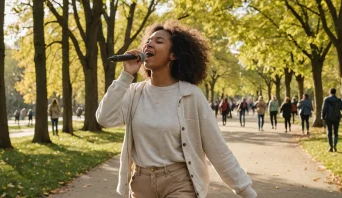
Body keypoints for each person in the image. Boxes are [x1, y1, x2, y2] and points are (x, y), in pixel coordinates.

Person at [96, 21, 256, 198]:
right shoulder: (134, 93)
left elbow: (217, 148)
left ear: (173, 55)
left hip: (179, 183)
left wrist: (246, 192)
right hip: (141, 184)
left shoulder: (191, 95)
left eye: (159, 41)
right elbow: (104, 118)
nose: (148, 44)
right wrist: (126, 76)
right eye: (148, 41)